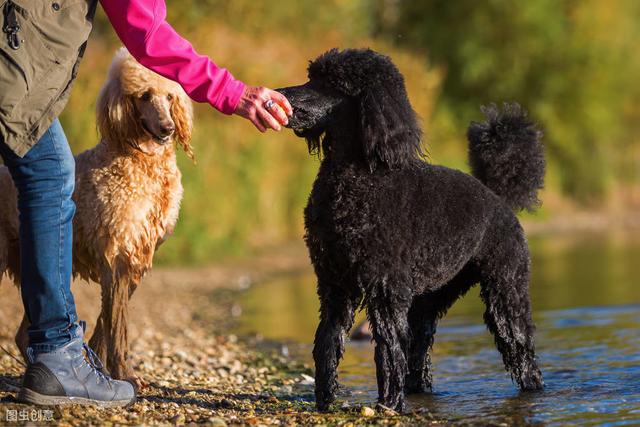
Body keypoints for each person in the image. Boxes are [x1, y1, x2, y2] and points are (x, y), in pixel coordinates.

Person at [0, 0, 291, 407]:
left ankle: (62, 353)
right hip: (13, 58)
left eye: (168, 102)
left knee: (49, 174)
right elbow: (148, 33)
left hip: (18, 56)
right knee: (50, 177)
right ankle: (57, 354)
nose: (164, 117)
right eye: (146, 99)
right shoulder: (112, 140)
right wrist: (234, 94)